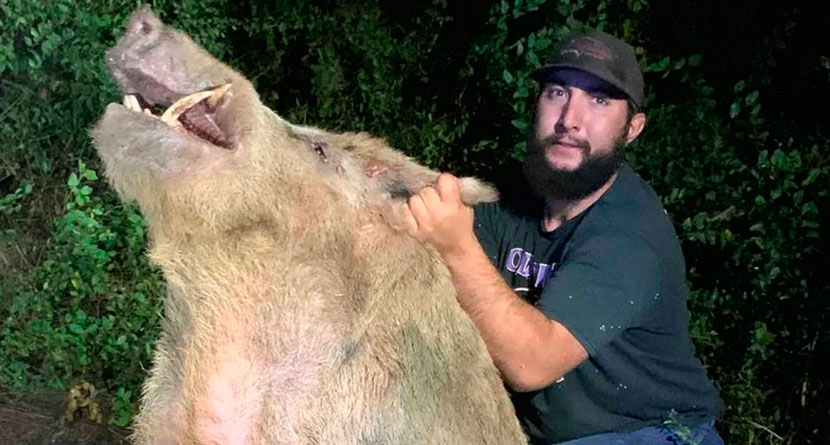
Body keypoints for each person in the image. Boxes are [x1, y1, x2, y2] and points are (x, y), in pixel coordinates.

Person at [403, 29, 724, 444]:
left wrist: (457, 248)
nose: (570, 119)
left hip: (653, 432)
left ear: (633, 128)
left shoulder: (628, 236)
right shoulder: (507, 195)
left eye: (599, 100)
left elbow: (530, 363)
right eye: (557, 92)